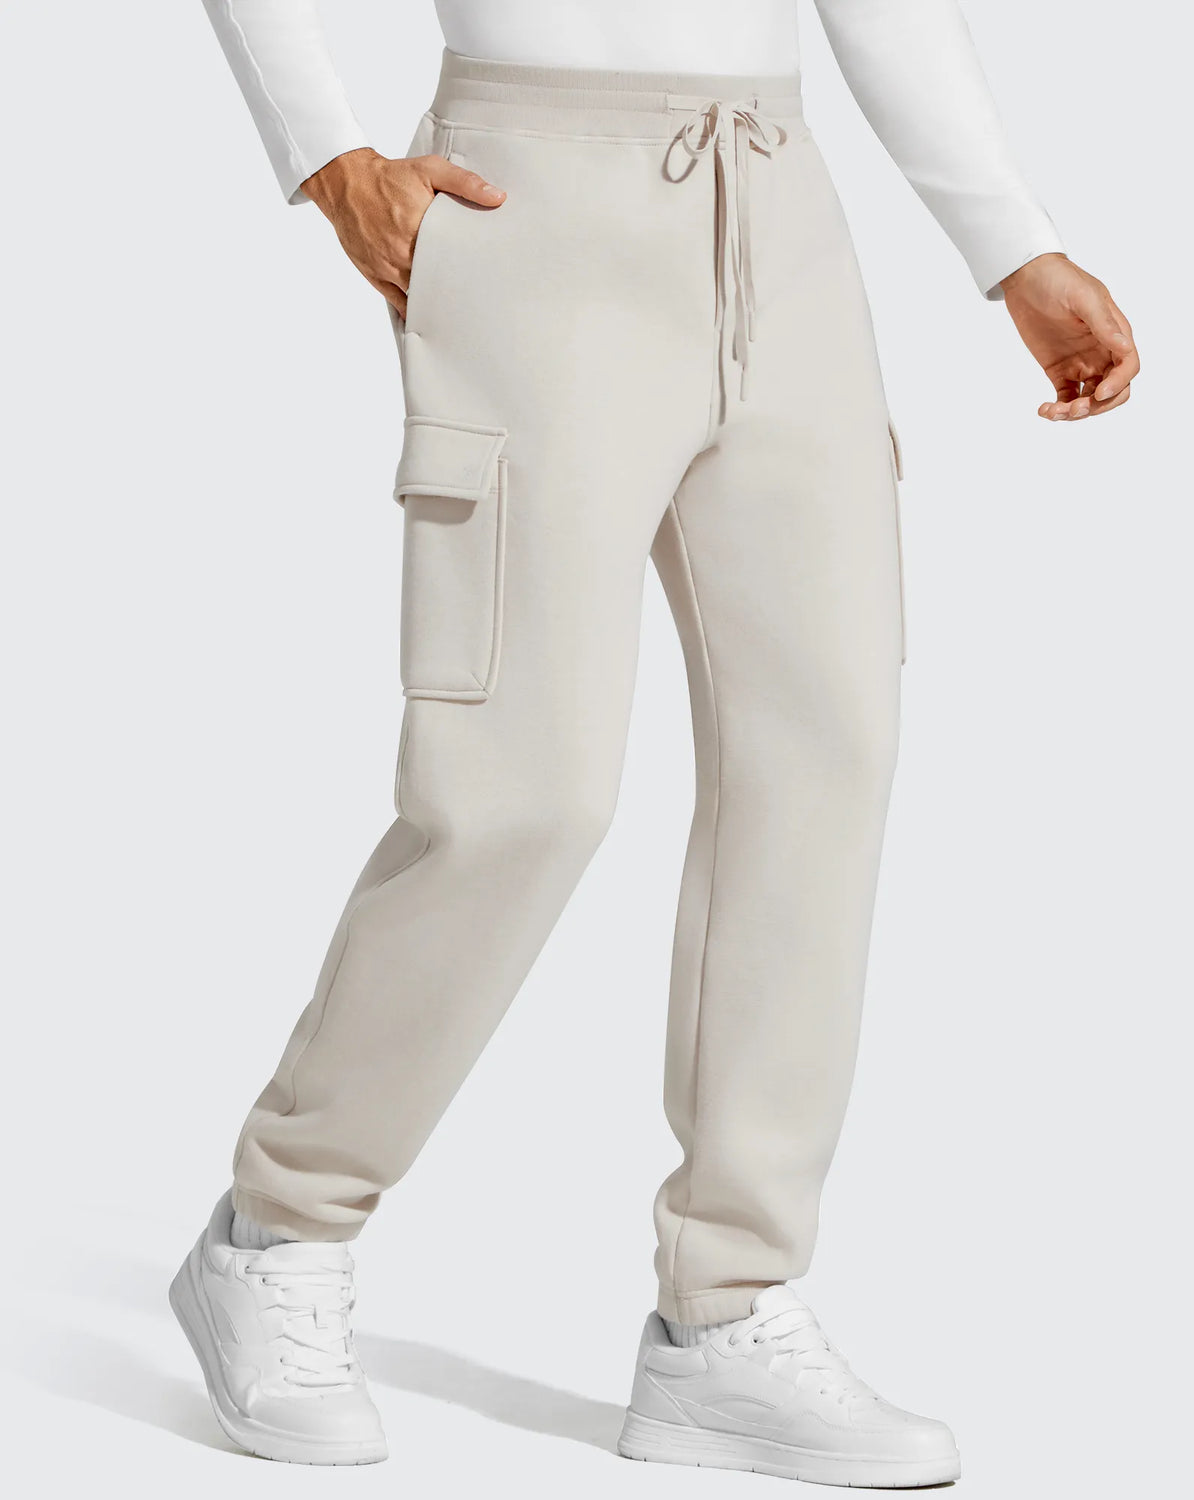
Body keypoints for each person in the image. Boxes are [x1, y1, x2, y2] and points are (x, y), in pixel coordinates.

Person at [171, 0, 1138, 1482]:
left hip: (785, 205)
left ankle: (724, 1312)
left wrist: (1012, 241)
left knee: (823, 758)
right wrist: (331, 159)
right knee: (523, 790)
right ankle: (278, 1230)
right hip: (528, 204)